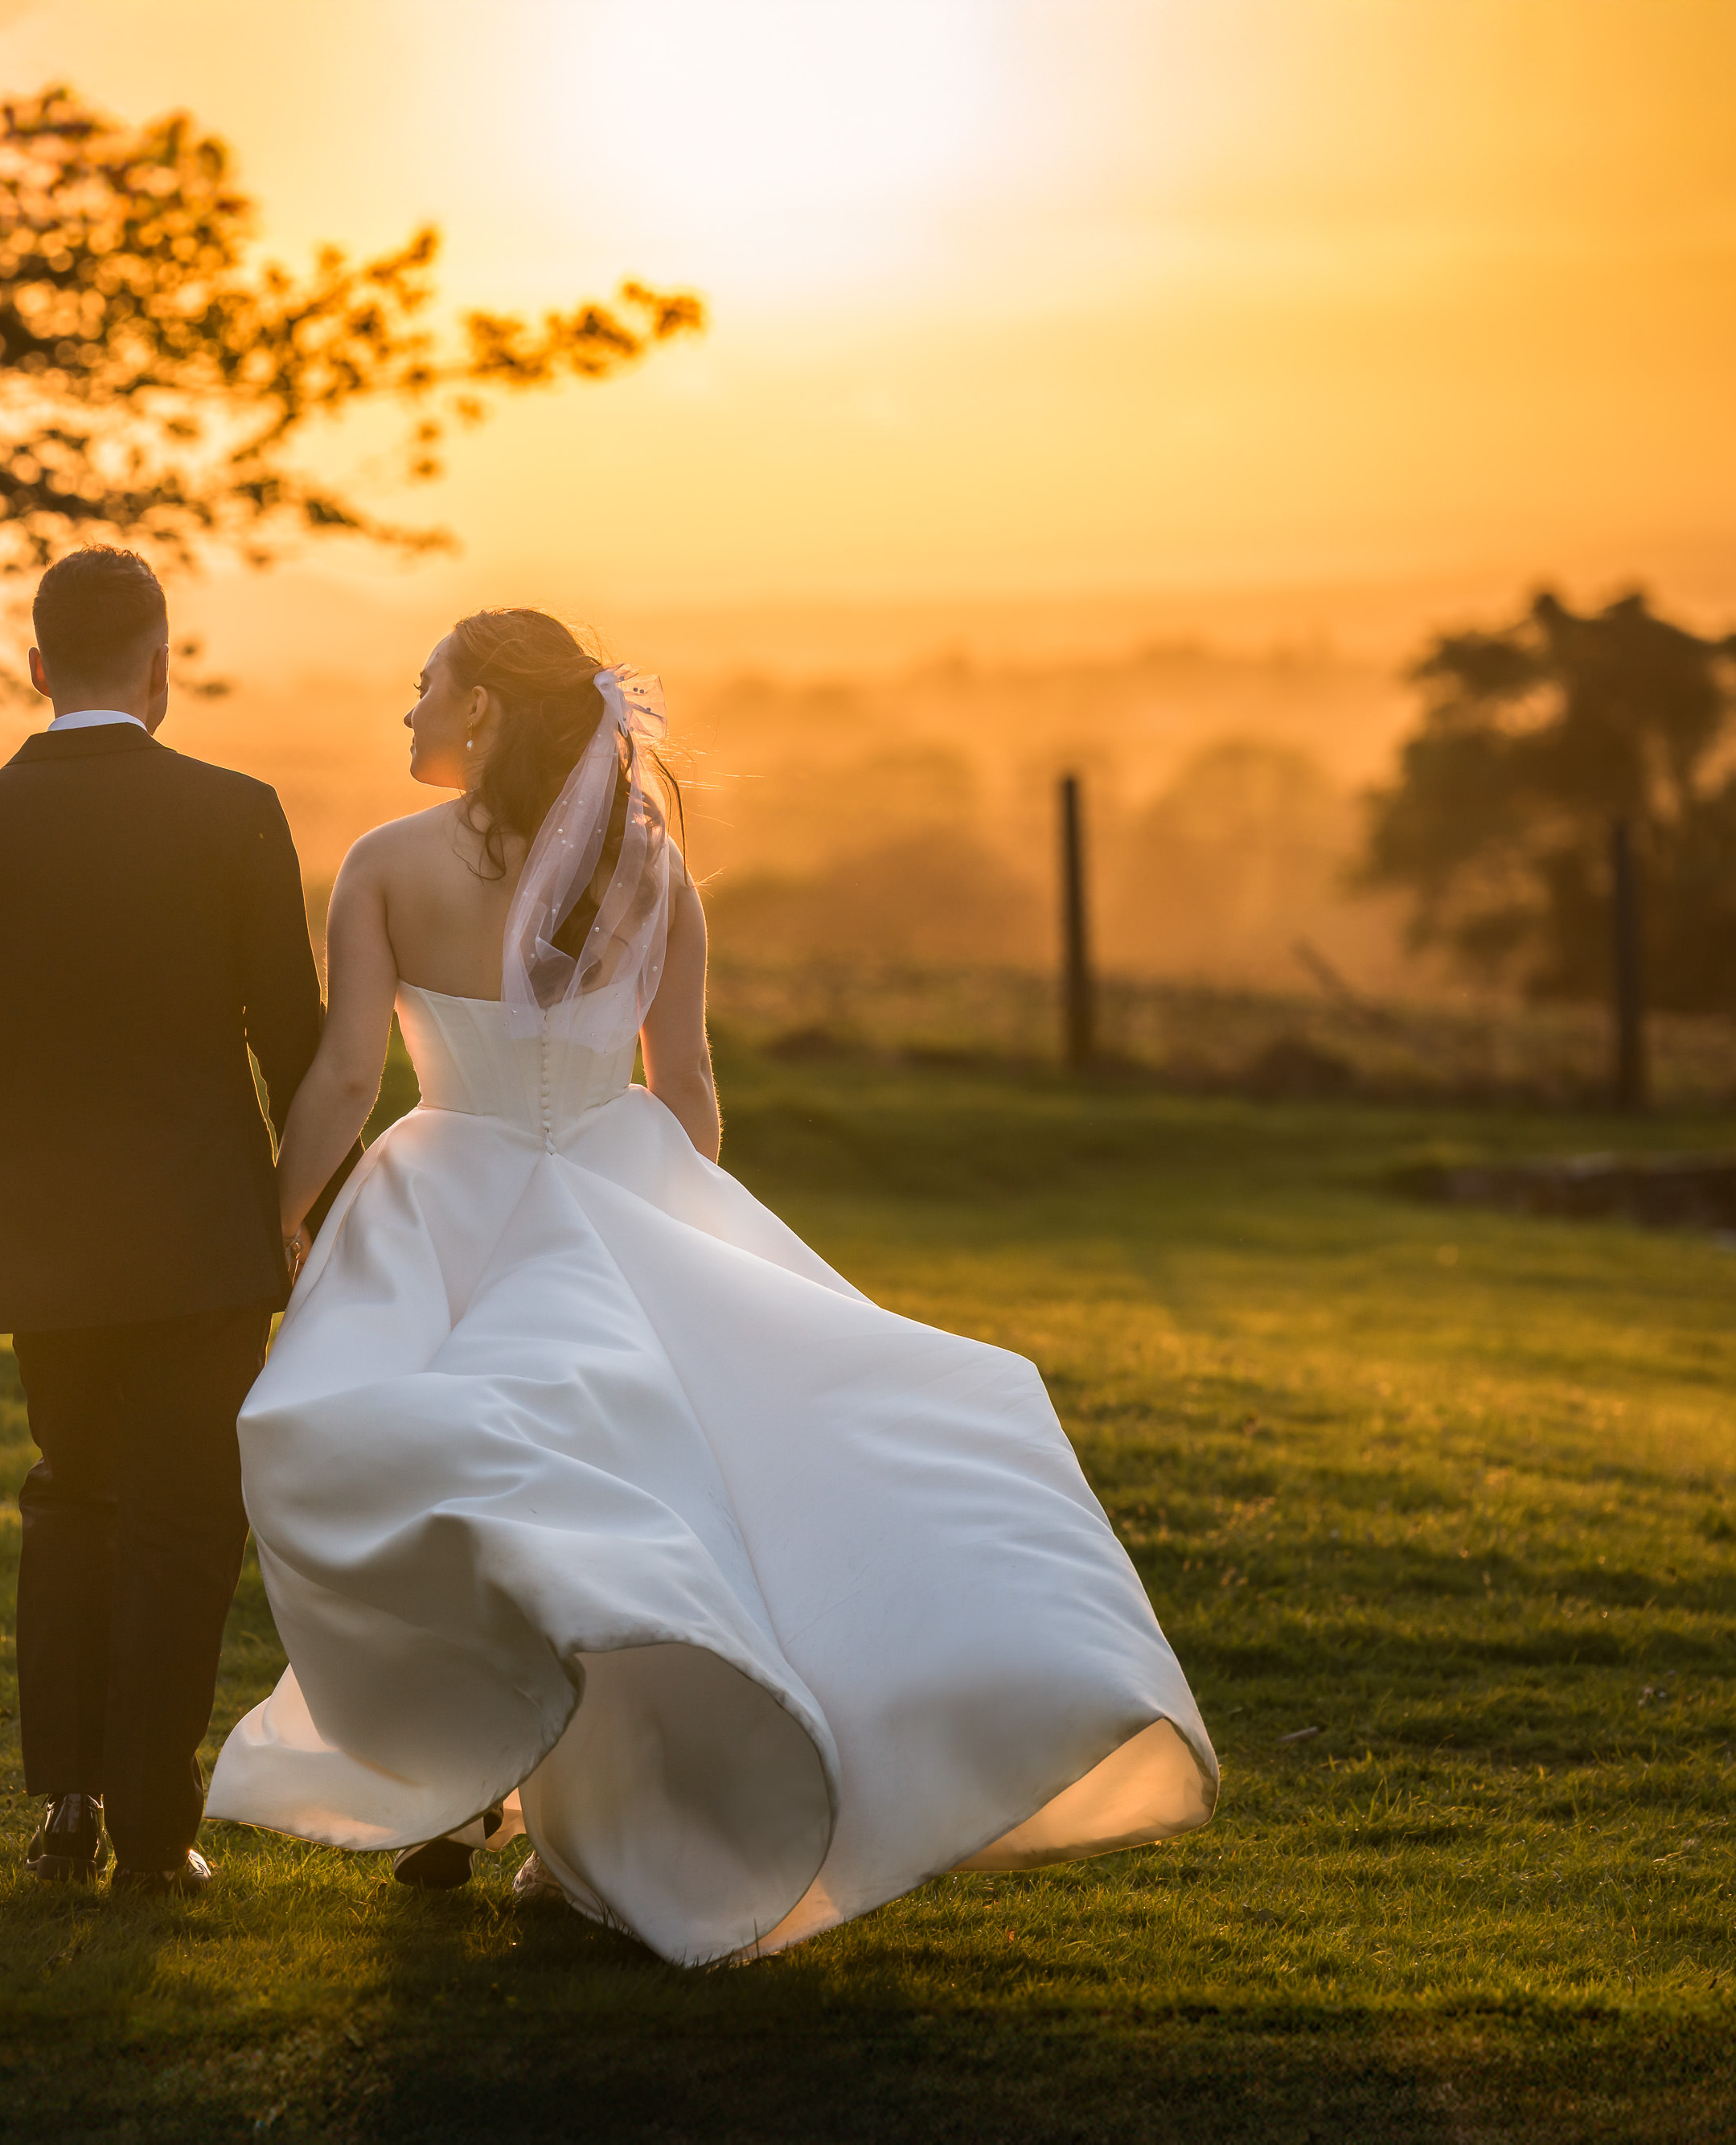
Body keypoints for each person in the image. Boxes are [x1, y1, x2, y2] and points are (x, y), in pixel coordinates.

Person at [203, 607, 1218, 1966]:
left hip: (445, 1203)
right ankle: (557, 1826)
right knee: (614, 1499)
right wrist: (669, 1230)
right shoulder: (652, 874)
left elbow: (343, 1079)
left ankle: (460, 1788)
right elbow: (686, 1086)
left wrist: (281, 1212)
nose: (407, 710)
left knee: (447, 1481)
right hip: (619, 1190)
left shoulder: (385, 865)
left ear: (485, 709)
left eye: (424, 685)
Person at [0, 546, 332, 1897]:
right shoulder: (237, 813)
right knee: (185, 1524)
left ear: (33, 668)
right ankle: (152, 1825)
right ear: (161, 668)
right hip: (204, 1248)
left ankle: (68, 1807)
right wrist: (312, 1223)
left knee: (72, 1502)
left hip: (43, 1245)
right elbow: (296, 1051)